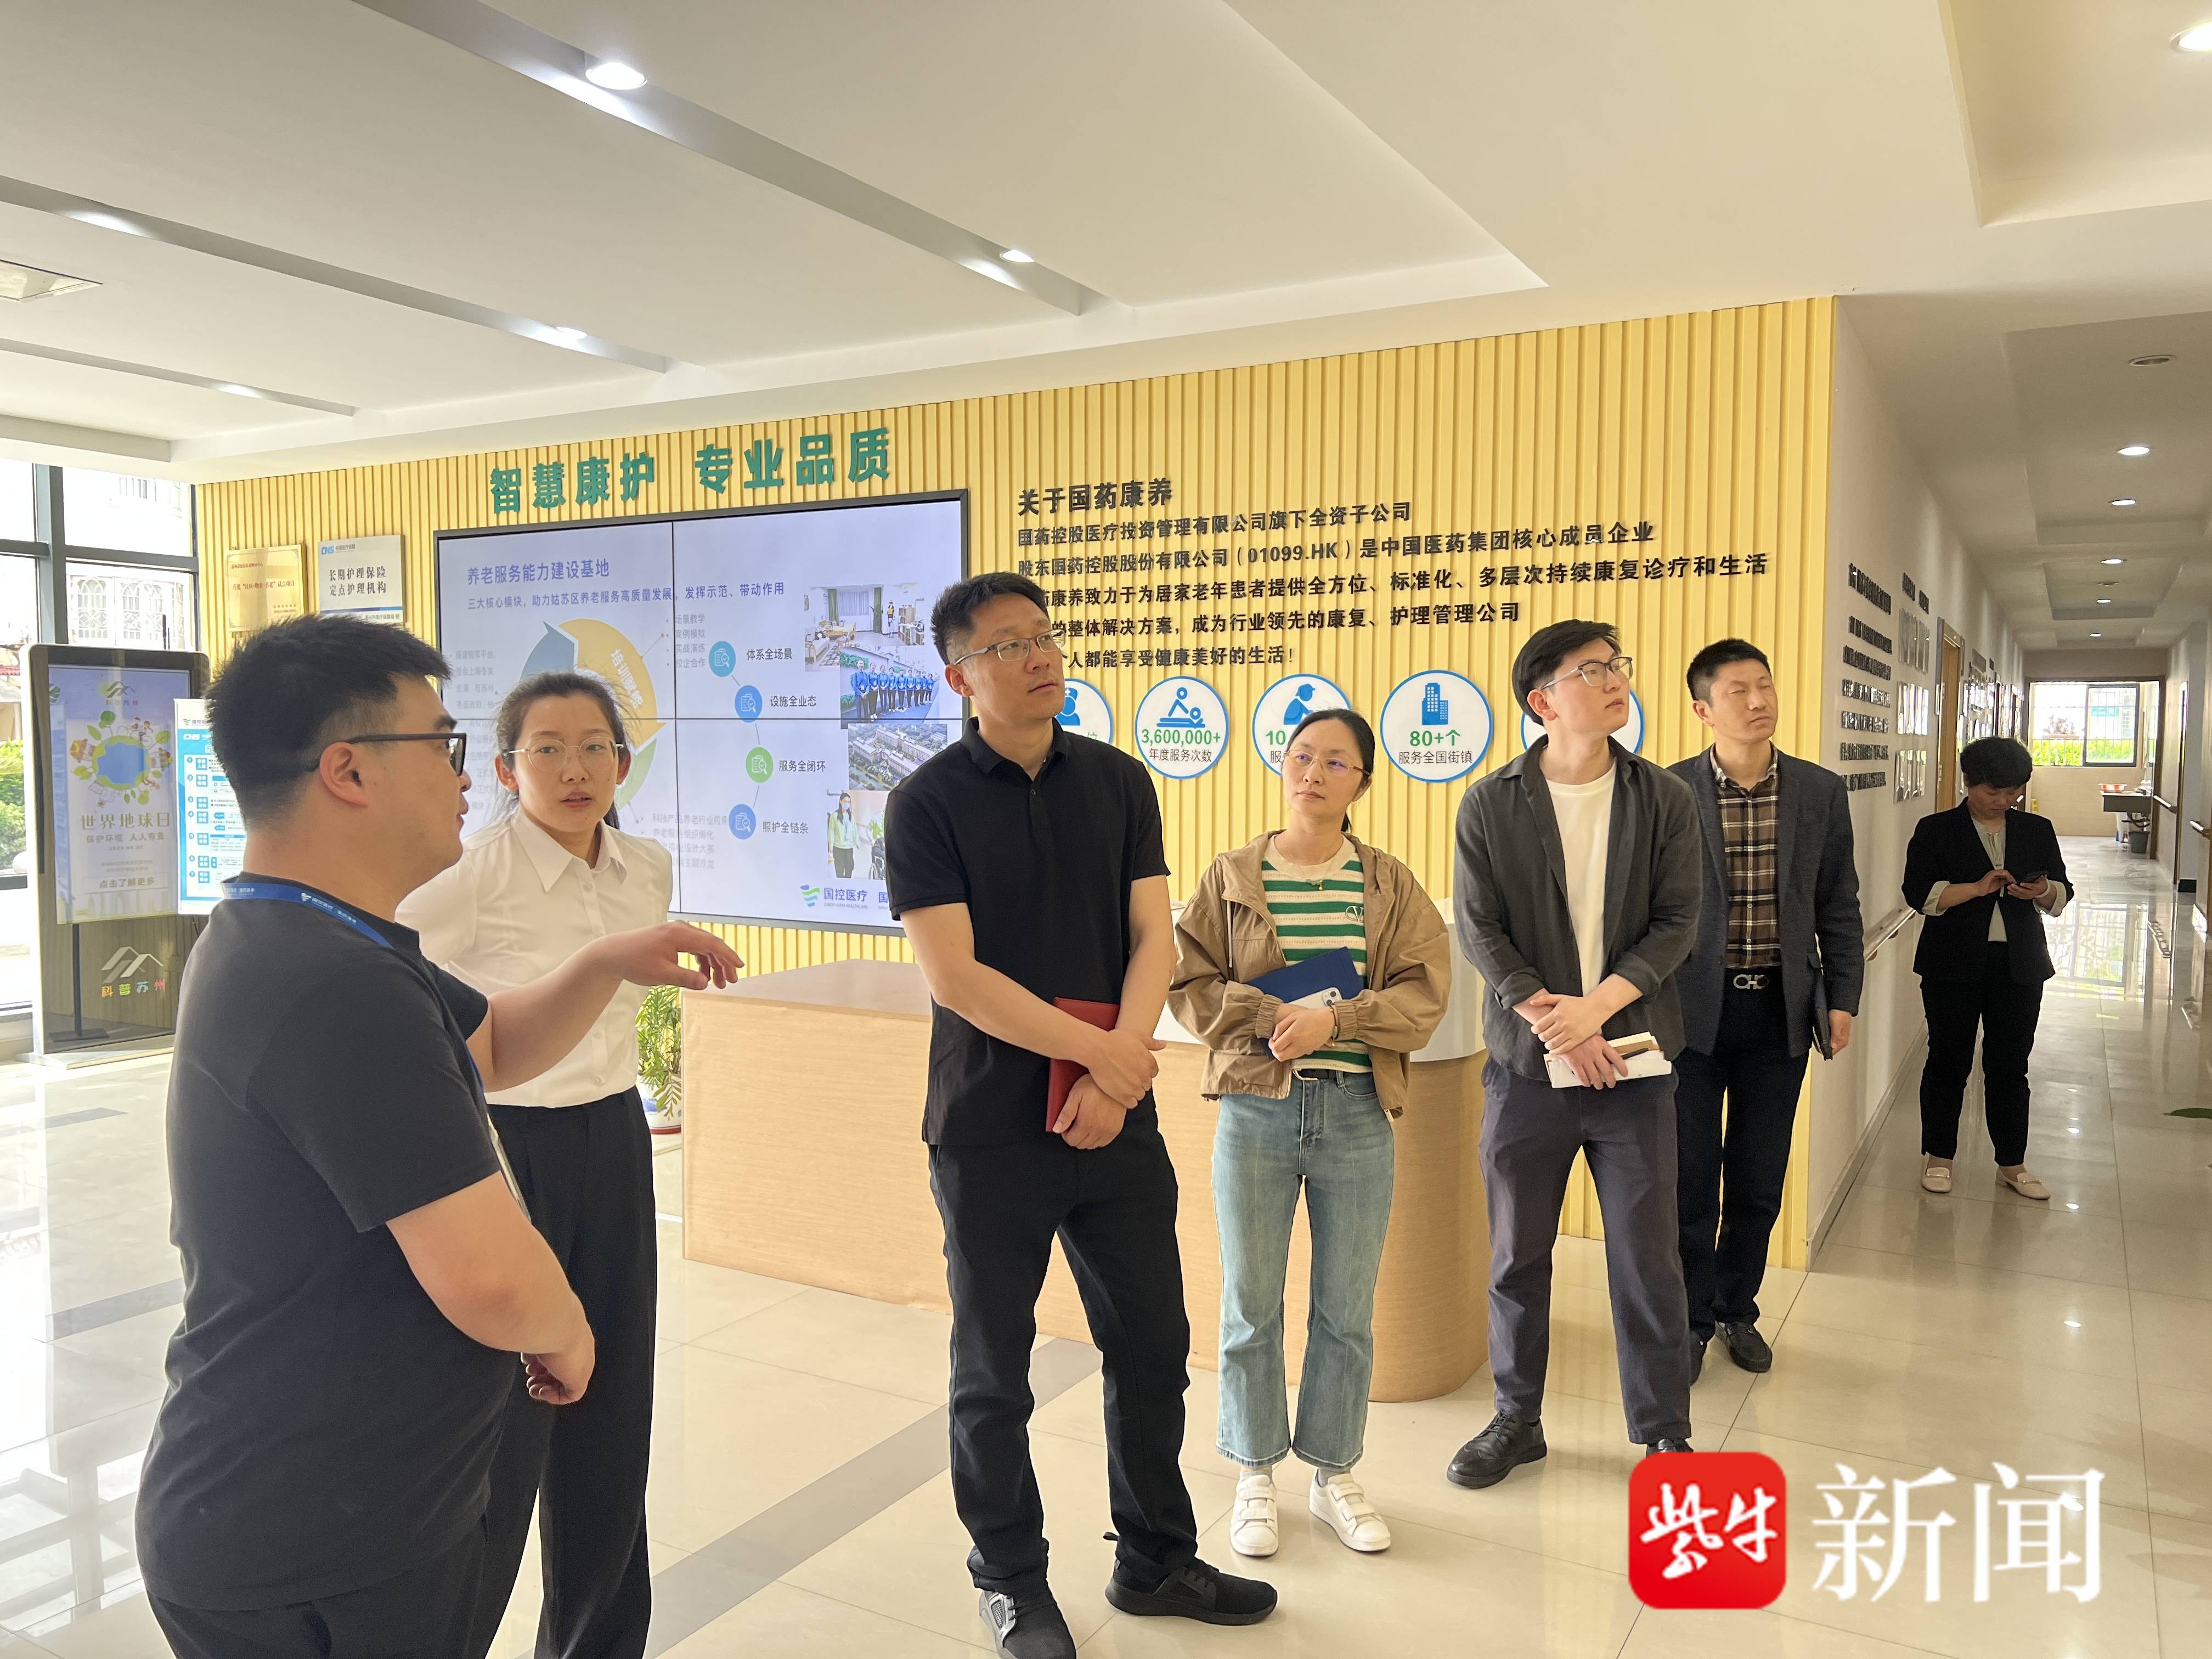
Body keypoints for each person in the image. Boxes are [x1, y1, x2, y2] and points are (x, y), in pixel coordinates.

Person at [136, 616, 740, 1659]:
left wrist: (604, 961)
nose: (467, 777)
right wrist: (570, 1330)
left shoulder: (315, 934)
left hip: (319, 1499)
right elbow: (492, 1280)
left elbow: (493, 1043)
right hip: (314, 1532)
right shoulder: (334, 980)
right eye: (442, 744)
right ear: (348, 771)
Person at [885, 572, 1276, 1659]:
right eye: (1007, 644)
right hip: (988, 1127)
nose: (1039, 656)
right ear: (959, 676)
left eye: (1045, 636)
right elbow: (956, 977)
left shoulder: (1117, 779)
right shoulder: (924, 803)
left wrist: (1115, 1075)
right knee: (992, 1370)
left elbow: (1154, 938)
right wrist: (1101, 1052)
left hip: (1117, 1118)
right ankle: (1010, 1579)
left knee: (1153, 1344)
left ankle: (1154, 1558)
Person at [398, 669, 689, 1659]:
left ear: (623, 761)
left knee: (614, 1402)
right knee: (505, 1417)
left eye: (596, 747)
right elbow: (399, 994)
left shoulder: (643, 868)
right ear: (504, 768)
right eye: (548, 749)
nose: (575, 769)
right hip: (500, 1149)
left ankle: (597, 1643)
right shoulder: (466, 876)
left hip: (612, 1137)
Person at [1170, 707, 1449, 1560]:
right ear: (1282, 766)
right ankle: (1255, 1472)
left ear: (1362, 781)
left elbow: (1424, 995)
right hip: (1256, 1111)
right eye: (1301, 756)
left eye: (1336, 761)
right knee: (1250, 1304)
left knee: (1345, 1310)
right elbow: (1188, 986)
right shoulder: (1231, 875)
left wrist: (1339, 1021)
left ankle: (1333, 1473)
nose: (1314, 772)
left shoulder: (1389, 882)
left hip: (1358, 1112)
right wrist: (1270, 1016)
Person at [1448, 619, 1702, 1487]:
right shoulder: (1491, 802)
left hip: (1633, 1064)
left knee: (1646, 1256)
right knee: (1517, 1254)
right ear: (1543, 700)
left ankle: (1664, 1431)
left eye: (1617, 665)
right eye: (1592, 670)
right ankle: (1517, 1418)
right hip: (1528, 1071)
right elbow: (1480, 928)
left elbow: (1678, 922)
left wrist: (1593, 1013)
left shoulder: (1663, 797)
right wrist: (1553, 1021)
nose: (1616, 679)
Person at [1669, 640, 1863, 1381]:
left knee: (1757, 1179)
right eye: (1738, 691)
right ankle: (1689, 1320)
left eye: (1766, 686)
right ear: (1703, 709)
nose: (1758, 701)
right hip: (1689, 1018)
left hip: (1779, 1011)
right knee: (1689, 1181)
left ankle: (1736, 1309)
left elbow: (1837, 903)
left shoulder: (1818, 791)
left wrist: (1842, 998)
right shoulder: (1668, 791)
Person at [1904, 736, 2070, 1200]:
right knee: (1948, 1060)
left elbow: (2062, 889)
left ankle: (2012, 1163)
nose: (2003, 801)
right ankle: (1939, 1157)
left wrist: (2041, 892)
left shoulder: (2036, 829)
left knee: (2010, 1065)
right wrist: (1977, 888)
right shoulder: (1936, 830)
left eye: (2012, 792)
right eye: (1993, 792)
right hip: (1951, 963)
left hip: (2020, 965)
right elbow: (1919, 894)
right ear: (1968, 782)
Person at [830, 792, 858, 877]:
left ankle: (848, 883)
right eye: (845, 801)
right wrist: (831, 844)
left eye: (849, 802)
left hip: (849, 847)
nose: (847, 804)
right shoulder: (834, 815)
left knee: (850, 868)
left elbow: (854, 829)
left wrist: (857, 842)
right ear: (840, 801)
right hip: (838, 847)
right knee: (840, 870)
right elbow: (831, 831)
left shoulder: (851, 816)